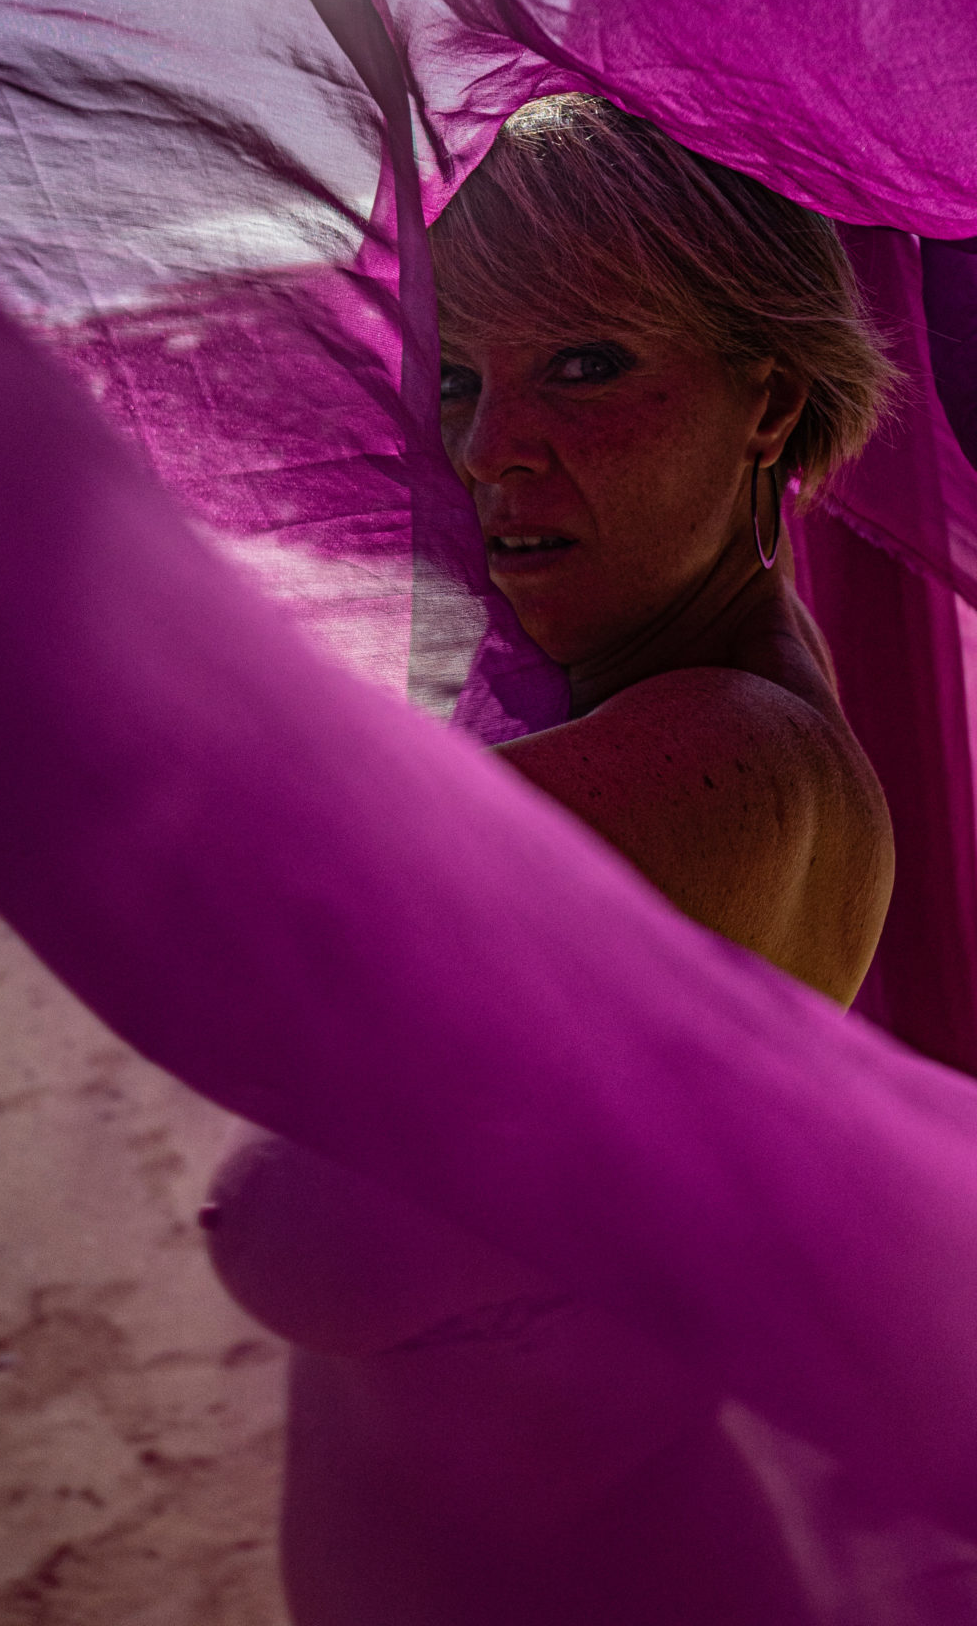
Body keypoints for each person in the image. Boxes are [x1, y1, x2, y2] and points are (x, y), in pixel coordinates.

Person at [203, 96, 899, 1623]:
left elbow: (183, 861)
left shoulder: (715, 759)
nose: (487, 448)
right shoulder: (674, 683)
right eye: (453, 376)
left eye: (585, 365)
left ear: (770, 401)